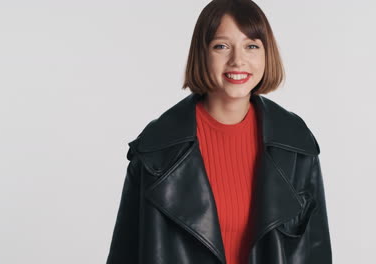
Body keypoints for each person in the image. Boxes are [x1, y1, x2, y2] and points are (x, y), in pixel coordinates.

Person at [106, 0, 332, 263]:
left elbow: (317, 253)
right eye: (221, 46)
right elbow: (125, 253)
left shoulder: (295, 143)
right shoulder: (157, 150)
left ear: (266, 54)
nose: (238, 60)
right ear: (202, 53)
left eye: (251, 46)